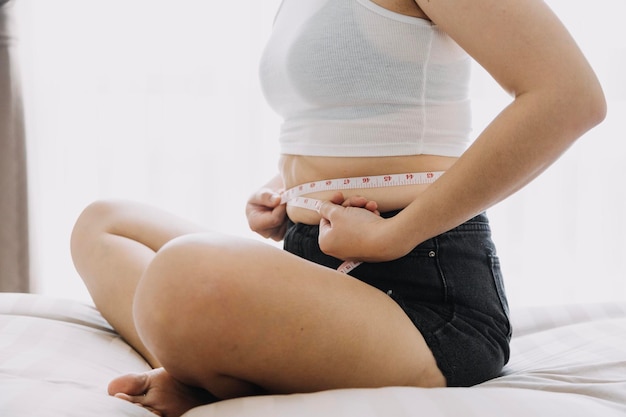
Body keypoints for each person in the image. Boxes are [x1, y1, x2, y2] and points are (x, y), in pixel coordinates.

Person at [70, 0, 606, 416]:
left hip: (422, 290)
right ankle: (216, 363)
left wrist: (395, 236)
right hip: (313, 254)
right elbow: (347, 121)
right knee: (104, 223)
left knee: (183, 275)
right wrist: (283, 190)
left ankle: (210, 376)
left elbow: (569, 98)